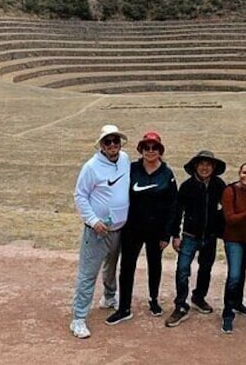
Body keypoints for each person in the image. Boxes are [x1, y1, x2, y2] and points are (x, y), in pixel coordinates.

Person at [106, 131, 177, 326]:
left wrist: (167, 234)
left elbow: (173, 206)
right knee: (127, 267)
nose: (151, 151)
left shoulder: (167, 174)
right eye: (147, 147)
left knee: (155, 265)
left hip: (156, 231)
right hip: (132, 228)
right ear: (141, 150)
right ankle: (124, 308)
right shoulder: (132, 170)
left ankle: (153, 300)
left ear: (160, 150)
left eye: (154, 148)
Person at [70, 124, 131, 340]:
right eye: (108, 142)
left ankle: (109, 298)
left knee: (111, 268)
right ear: (102, 145)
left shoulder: (125, 159)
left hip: (119, 229)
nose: (113, 145)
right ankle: (78, 319)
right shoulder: (91, 167)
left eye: (116, 141)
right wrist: (93, 220)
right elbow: (80, 195)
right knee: (88, 274)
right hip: (97, 231)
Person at [165, 150, 227, 327]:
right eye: (201, 164)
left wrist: (222, 229)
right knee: (182, 270)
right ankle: (180, 305)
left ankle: (199, 297)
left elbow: (226, 208)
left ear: (214, 167)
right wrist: (175, 235)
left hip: (210, 236)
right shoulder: (186, 186)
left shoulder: (219, 185)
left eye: (208, 164)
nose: (205, 167)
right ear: (195, 166)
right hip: (190, 236)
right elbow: (177, 212)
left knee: (206, 269)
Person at [220, 162, 246, 334]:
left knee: (242, 271)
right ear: (239, 173)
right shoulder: (230, 191)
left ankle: (238, 302)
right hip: (233, 239)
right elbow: (229, 218)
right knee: (234, 274)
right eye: (245, 172)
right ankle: (227, 313)